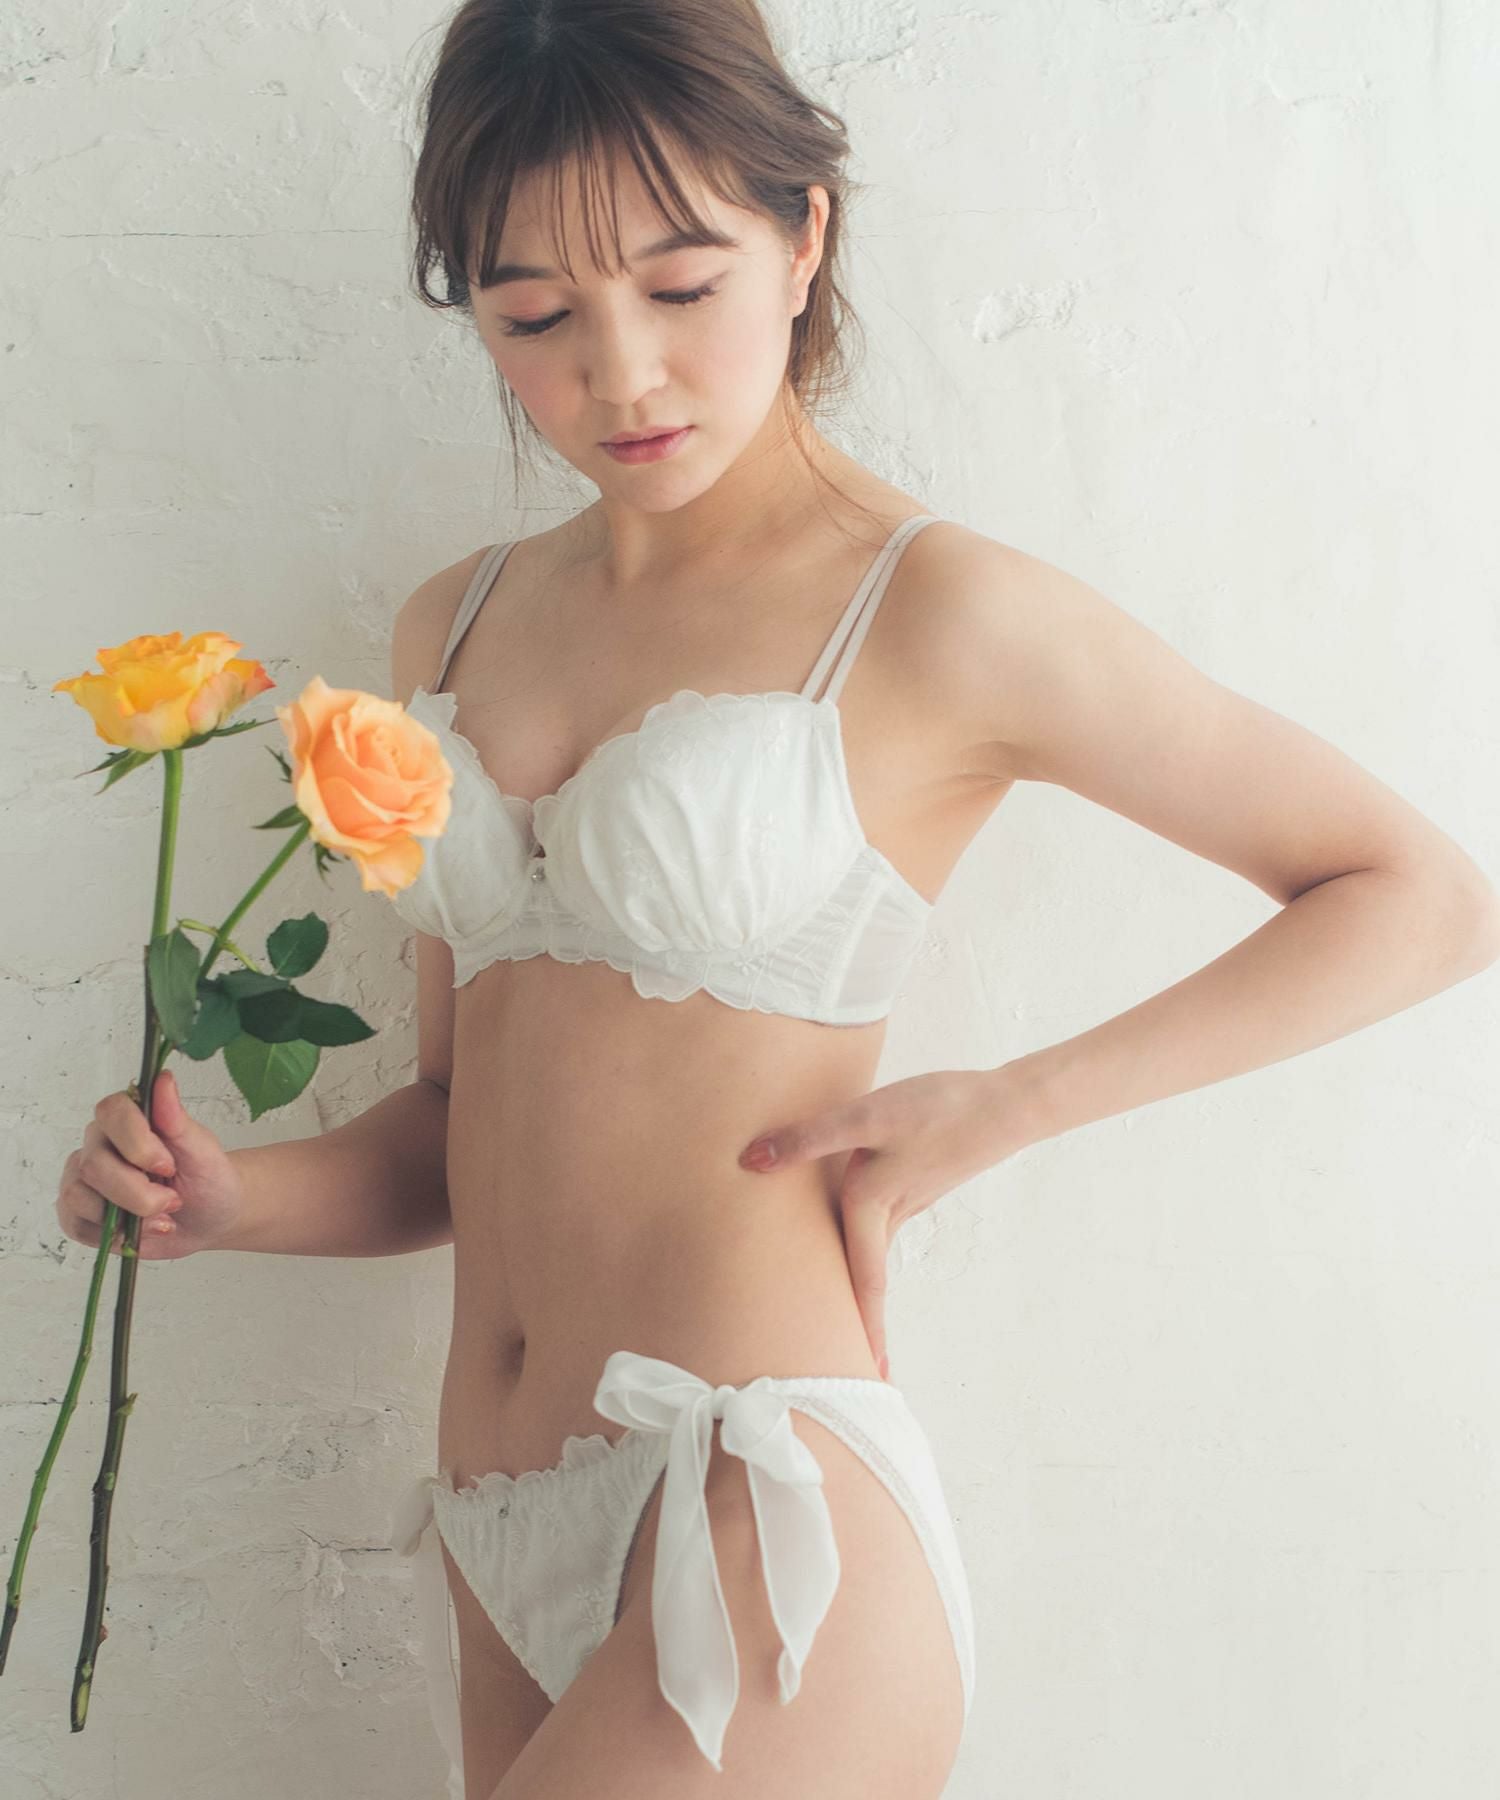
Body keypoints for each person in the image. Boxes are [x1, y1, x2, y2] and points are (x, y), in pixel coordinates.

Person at [56, 1, 1500, 1795]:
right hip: (496, 1531)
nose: (623, 375)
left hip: (760, 1510)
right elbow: (455, 1122)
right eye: (535, 317)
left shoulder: (937, 611)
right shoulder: (456, 623)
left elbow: (1418, 895)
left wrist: (1006, 1106)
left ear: (804, 236)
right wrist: (230, 1199)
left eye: (682, 285)